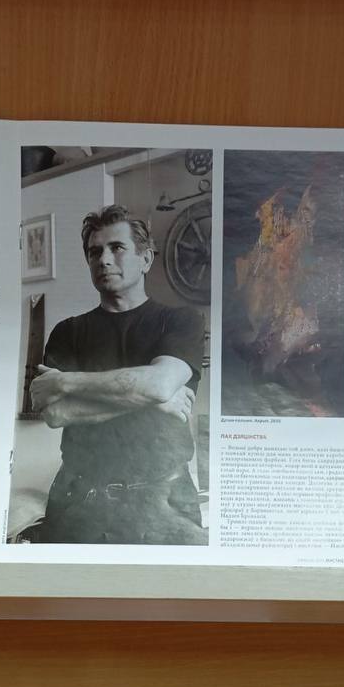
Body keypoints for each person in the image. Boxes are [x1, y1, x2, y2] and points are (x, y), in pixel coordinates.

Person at [26, 204, 207, 544]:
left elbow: (159, 384)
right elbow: (56, 413)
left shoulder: (181, 321)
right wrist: (154, 401)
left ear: (146, 259)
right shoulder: (68, 331)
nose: (104, 259)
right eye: (95, 252)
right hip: (80, 501)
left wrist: (65, 381)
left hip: (166, 502)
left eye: (117, 248)